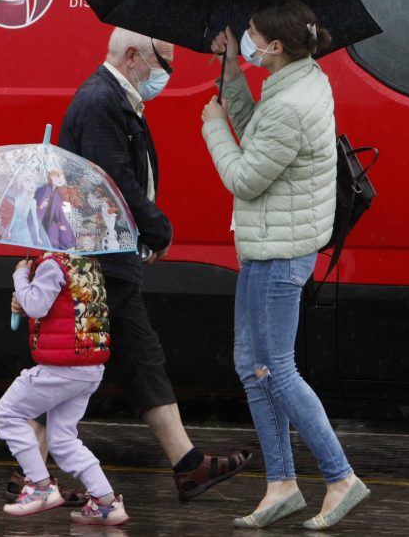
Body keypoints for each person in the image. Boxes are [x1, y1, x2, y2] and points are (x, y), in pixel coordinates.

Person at [49, 26, 252, 502]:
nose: (168, 75)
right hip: (96, 260)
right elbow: (113, 180)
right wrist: (157, 227)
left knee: (128, 362)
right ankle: (30, 476)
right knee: (81, 367)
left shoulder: (117, 102)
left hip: (107, 259)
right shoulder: (102, 102)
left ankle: (187, 464)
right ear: (135, 56)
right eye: (165, 64)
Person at [200, 0, 370, 530]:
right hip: (267, 246)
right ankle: (281, 485)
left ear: (274, 47)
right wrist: (231, 72)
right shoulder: (300, 78)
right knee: (252, 366)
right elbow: (258, 129)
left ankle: (341, 477)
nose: (245, 38)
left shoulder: (292, 103)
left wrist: (211, 127)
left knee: (276, 368)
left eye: (250, 35)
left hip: (278, 254)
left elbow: (246, 176)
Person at [0, 252, 129, 527]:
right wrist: (25, 294)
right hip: (89, 368)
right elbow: (59, 305)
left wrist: (20, 275)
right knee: (63, 440)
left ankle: (40, 486)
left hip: (61, 367)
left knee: (7, 415)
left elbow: (36, 306)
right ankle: (105, 502)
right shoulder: (87, 262)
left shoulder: (53, 264)